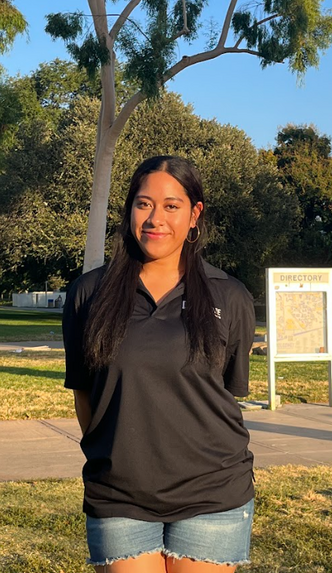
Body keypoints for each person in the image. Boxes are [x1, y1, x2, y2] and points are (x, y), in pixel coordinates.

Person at [62, 155, 256, 573]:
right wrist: (119, 455)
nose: (155, 218)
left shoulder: (230, 296)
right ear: (130, 209)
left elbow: (225, 393)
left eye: (172, 206)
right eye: (144, 203)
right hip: (119, 494)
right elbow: (85, 393)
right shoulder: (88, 294)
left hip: (213, 492)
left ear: (194, 215)